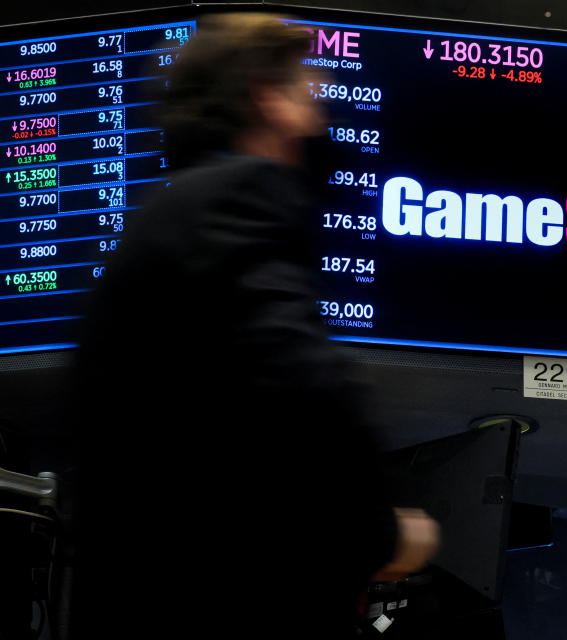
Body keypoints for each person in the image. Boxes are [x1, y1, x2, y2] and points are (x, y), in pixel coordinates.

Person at [70, 14, 438, 638]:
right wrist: (383, 531)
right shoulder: (237, 198)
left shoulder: (166, 218)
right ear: (267, 99)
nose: (319, 104)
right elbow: (305, 390)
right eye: (304, 87)